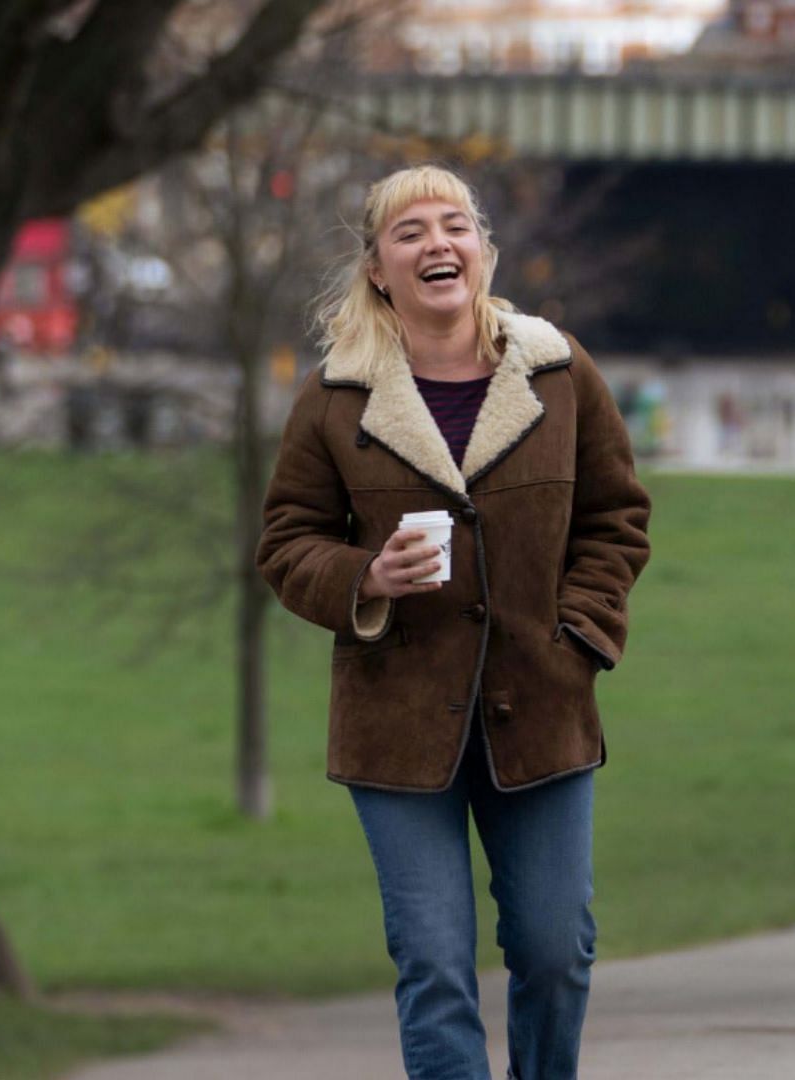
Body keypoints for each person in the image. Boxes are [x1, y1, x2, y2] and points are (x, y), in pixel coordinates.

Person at [256, 165, 651, 1080]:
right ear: (378, 269)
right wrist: (367, 575)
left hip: (543, 708)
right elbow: (286, 543)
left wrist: (580, 636)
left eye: (456, 225)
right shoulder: (335, 396)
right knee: (434, 968)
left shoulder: (557, 370)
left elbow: (616, 518)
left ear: (483, 250)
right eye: (410, 232)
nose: (438, 243)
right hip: (397, 724)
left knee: (557, 954)